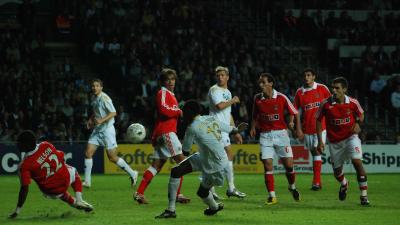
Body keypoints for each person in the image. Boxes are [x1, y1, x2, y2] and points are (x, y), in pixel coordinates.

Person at [155, 100, 248, 219]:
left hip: (215, 167)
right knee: (176, 171)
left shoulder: (192, 128)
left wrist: (167, 142)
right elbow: (232, 130)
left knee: (202, 193)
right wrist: (239, 129)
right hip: (207, 157)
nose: (183, 116)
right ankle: (171, 210)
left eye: (184, 113)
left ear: (189, 113)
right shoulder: (210, 119)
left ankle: (214, 207)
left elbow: (185, 152)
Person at [134, 68, 190, 204]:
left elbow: (160, 117)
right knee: (183, 163)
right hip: (167, 133)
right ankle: (177, 194)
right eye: (168, 79)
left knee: (156, 166)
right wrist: (178, 111)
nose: (171, 82)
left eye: (173, 79)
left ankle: (139, 193)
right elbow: (163, 110)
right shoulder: (162, 92)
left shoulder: (171, 94)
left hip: (163, 133)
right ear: (163, 82)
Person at [9, 130, 93, 219]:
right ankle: (79, 200)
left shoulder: (24, 166)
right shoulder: (46, 144)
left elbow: (24, 189)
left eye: (19, 143)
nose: (17, 144)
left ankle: (75, 202)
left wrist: (17, 210)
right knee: (73, 171)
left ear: (26, 145)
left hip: (51, 191)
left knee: (61, 193)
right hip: (65, 178)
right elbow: (61, 155)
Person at [250, 73, 302, 205]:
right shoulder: (257, 98)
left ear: (271, 83)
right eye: (259, 82)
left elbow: (294, 112)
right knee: (267, 165)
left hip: (281, 135)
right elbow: (254, 115)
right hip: (265, 136)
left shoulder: (281, 97)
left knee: (289, 166)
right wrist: (253, 127)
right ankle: (272, 196)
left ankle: (292, 187)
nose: (260, 85)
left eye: (263, 82)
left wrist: (298, 129)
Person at [316, 77, 370, 206]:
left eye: (337, 88)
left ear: (344, 89)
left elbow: (361, 114)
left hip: (351, 137)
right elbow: (318, 120)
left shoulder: (353, 102)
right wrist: (320, 141)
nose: (334, 90)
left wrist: (358, 123)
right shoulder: (325, 104)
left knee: (357, 162)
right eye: (332, 88)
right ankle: (344, 183)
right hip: (334, 142)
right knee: (337, 172)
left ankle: (364, 196)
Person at [83, 78, 138, 188]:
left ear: (101, 87)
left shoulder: (105, 98)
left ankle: (133, 173)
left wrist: (101, 120)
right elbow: (96, 112)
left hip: (107, 130)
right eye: (93, 86)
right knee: (88, 153)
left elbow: (113, 112)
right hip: (97, 131)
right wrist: (91, 119)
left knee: (112, 157)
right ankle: (87, 181)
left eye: (97, 86)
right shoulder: (94, 98)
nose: (94, 88)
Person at [207, 66, 246, 199]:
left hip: (224, 129)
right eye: (218, 75)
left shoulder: (227, 92)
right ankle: (229, 188)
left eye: (222, 75)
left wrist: (235, 131)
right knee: (224, 155)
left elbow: (228, 114)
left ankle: (218, 189)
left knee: (220, 157)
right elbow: (219, 106)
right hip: (215, 128)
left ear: (227, 77)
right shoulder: (214, 89)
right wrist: (233, 100)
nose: (220, 77)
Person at [293, 68, 331, 190]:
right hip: (307, 128)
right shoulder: (300, 92)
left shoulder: (322, 88)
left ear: (314, 77)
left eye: (309, 75)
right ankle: (318, 181)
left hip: (321, 126)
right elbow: (296, 111)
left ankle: (316, 182)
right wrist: (298, 128)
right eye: (305, 75)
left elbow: (331, 104)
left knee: (317, 150)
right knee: (314, 153)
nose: (306, 77)